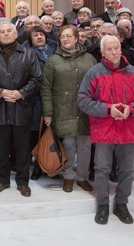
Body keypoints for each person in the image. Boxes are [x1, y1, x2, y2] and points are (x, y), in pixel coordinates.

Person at [77, 35, 134, 225]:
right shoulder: (93, 73)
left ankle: (121, 204)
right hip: (104, 129)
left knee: (127, 169)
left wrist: (131, 109)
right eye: (110, 49)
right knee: (102, 169)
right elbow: (83, 101)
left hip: (128, 128)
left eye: (117, 48)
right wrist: (108, 109)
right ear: (102, 53)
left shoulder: (133, 72)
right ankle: (102, 204)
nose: (114, 52)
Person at [0, 22, 42, 198]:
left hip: (21, 107)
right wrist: (0, 92)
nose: (6, 34)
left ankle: (23, 182)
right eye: (2, 32)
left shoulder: (29, 54)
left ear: (16, 34)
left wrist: (21, 93)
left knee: (22, 147)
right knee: (1, 147)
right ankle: (3, 179)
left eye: (9, 31)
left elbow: (37, 79)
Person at [41, 25, 96, 193]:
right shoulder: (53, 60)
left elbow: (97, 83)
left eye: (68, 36)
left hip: (86, 110)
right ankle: (68, 176)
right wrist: (48, 113)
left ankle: (82, 177)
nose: (65, 39)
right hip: (63, 109)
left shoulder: (89, 59)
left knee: (85, 145)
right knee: (69, 144)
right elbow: (46, 88)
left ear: (77, 38)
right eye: (62, 37)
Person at [22, 26, 55, 180]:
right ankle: (34, 167)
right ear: (31, 39)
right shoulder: (26, 53)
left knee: (51, 135)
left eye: (42, 34)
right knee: (35, 134)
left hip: (55, 98)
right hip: (35, 99)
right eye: (35, 35)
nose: (39, 37)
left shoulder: (55, 49)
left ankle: (49, 165)